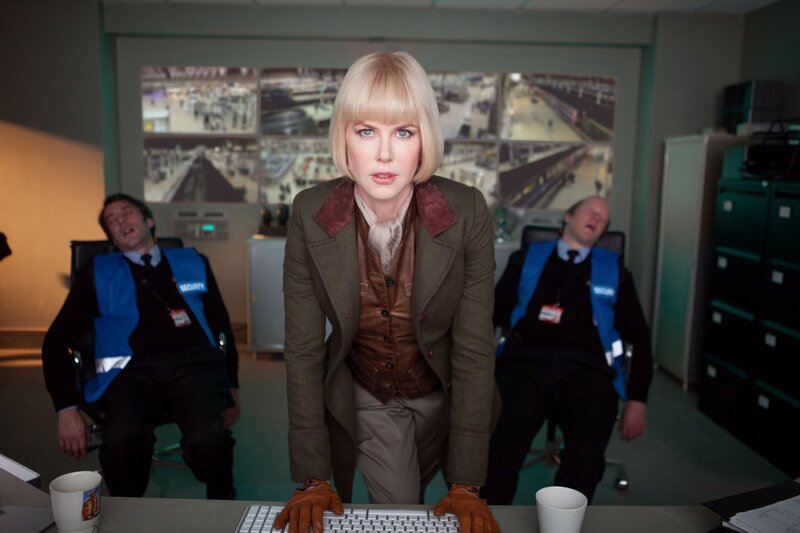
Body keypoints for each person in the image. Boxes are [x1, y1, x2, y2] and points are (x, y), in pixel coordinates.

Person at [275, 51, 500, 533]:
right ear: (343, 137)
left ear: (424, 140)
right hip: (369, 395)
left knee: (466, 496)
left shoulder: (467, 212)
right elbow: (303, 349)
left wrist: (466, 483)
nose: (383, 154)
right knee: (400, 509)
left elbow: (475, 350)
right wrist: (313, 476)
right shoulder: (309, 213)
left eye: (403, 132)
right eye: (366, 131)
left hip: (448, 389)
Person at [42, 193, 240, 499]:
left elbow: (221, 325)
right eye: (111, 219)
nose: (120, 219)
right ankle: (127, 510)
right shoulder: (97, 273)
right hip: (130, 373)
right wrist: (65, 408)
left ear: (149, 221)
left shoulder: (193, 262)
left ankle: (223, 496)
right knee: (122, 441)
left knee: (208, 441)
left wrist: (232, 385)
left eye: (127, 211)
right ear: (112, 238)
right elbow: (55, 341)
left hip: (195, 366)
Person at [483, 195, 652, 504]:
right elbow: (492, 315)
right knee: (501, 446)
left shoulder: (614, 271)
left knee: (587, 451)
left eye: (604, 219)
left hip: (588, 370)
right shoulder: (526, 259)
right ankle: (489, 516)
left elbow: (639, 337)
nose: (597, 218)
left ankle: (563, 519)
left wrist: (637, 398)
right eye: (592, 211)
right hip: (526, 363)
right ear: (568, 217)